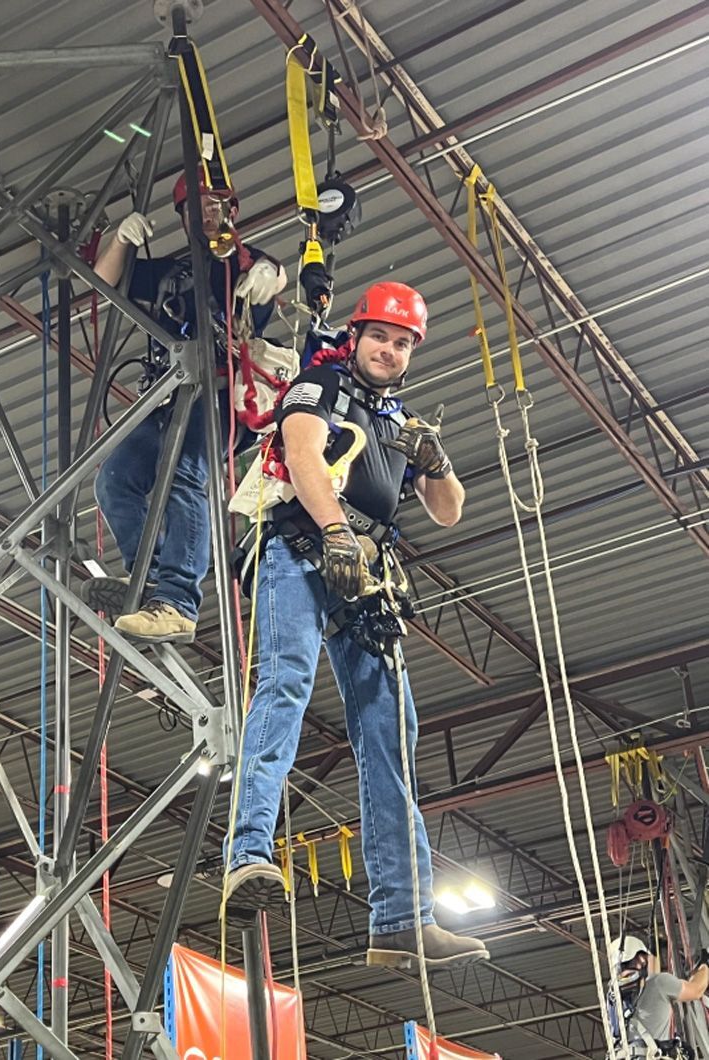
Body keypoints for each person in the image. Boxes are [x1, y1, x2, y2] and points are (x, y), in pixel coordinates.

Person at [223, 282, 490, 969]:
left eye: (402, 343)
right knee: (283, 683)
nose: (390, 350)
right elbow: (303, 454)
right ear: (357, 333)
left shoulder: (398, 421)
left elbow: (447, 509)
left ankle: (400, 918)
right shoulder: (321, 387)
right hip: (299, 549)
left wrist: (432, 461)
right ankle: (248, 852)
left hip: (365, 569)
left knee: (389, 731)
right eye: (381, 336)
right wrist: (336, 535)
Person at [84, 172, 286, 643]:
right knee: (114, 480)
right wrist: (119, 241)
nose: (207, 212)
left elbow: (273, 276)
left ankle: (177, 599)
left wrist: (270, 274)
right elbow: (104, 281)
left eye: (215, 204)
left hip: (219, 395)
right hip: (166, 395)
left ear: (231, 210)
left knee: (184, 475)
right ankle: (149, 579)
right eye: (197, 206)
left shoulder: (245, 265)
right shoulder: (171, 274)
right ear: (183, 215)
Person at [608, 934, 708, 1057]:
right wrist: (704, 965)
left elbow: (651, 983)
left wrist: (654, 952)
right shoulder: (659, 984)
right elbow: (696, 990)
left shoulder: (615, 999)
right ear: (640, 959)